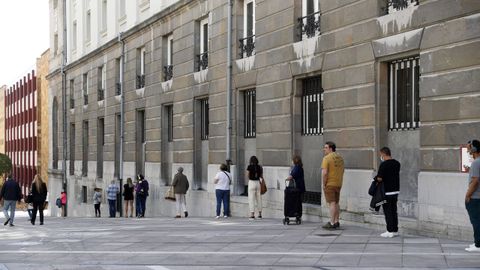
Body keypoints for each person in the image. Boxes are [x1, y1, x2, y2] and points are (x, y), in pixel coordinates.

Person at [375, 147, 401, 237]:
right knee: (394, 211)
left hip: (387, 191)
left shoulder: (384, 165)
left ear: (383, 154)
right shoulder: (397, 163)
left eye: (380, 155)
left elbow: (379, 178)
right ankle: (395, 230)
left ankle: (389, 231)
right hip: (395, 191)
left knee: (388, 211)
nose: (380, 156)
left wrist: (375, 179)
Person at [321, 141, 344, 230]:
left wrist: (324, 184)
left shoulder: (326, 158)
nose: (324, 149)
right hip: (338, 183)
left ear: (331, 148)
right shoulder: (340, 158)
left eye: (326, 147)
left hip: (330, 183)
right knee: (336, 203)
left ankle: (331, 222)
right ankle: (336, 221)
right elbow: (342, 170)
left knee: (332, 203)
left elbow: (325, 173)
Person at [465, 140, 480, 252]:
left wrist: (468, 195)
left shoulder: (476, 163)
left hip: (475, 198)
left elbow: (475, 181)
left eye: (469, 148)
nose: (468, 150)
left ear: (474, 149)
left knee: (476, 221)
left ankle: (478, 244)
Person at [247, 156, 263, 220]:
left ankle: (252, 215)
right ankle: (260, 214)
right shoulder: (259, 167)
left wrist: (250, 178)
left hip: (251, 182)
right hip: (258, 182)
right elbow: (261, 175)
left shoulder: (249, 167)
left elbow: (248, 175)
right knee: (259, 198)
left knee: (251, 199)